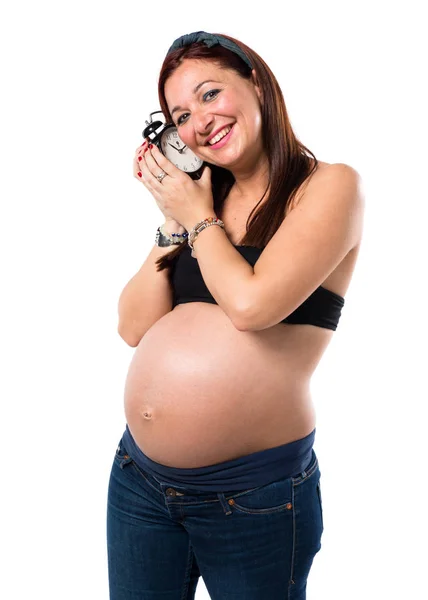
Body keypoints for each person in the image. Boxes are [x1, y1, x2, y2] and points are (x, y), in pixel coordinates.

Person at [107, 31, 365, 600]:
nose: (199, 121)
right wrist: (173, 217)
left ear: (254, 81)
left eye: (208, 94)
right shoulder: (202, 202)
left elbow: (252, 306)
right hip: (140, 483)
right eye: (180, 114)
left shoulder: (328, 187)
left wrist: (197, 218)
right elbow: (131, 326)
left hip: (252, 497)